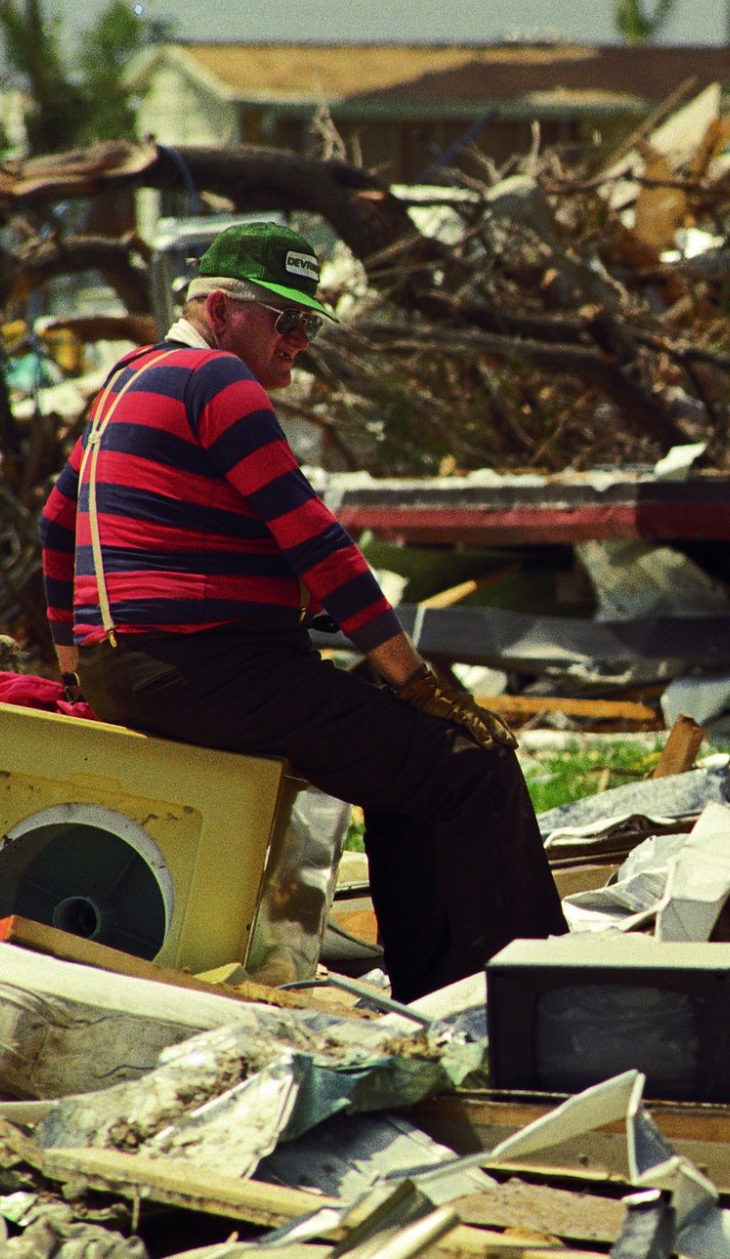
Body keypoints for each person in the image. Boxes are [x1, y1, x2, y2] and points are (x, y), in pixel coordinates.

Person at [39, 221, 566, 1002]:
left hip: (141, 669)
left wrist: (78, 665)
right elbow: (313, 536)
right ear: (220, 309)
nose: (299, 340)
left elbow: (54, 521)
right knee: (467, 763)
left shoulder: (126, 378)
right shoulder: (218, 381)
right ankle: (523, 997)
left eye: (309, 322)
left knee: (399, 765)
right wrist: (412, 676)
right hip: (213, 668)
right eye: (284, 320)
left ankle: (437, 986)